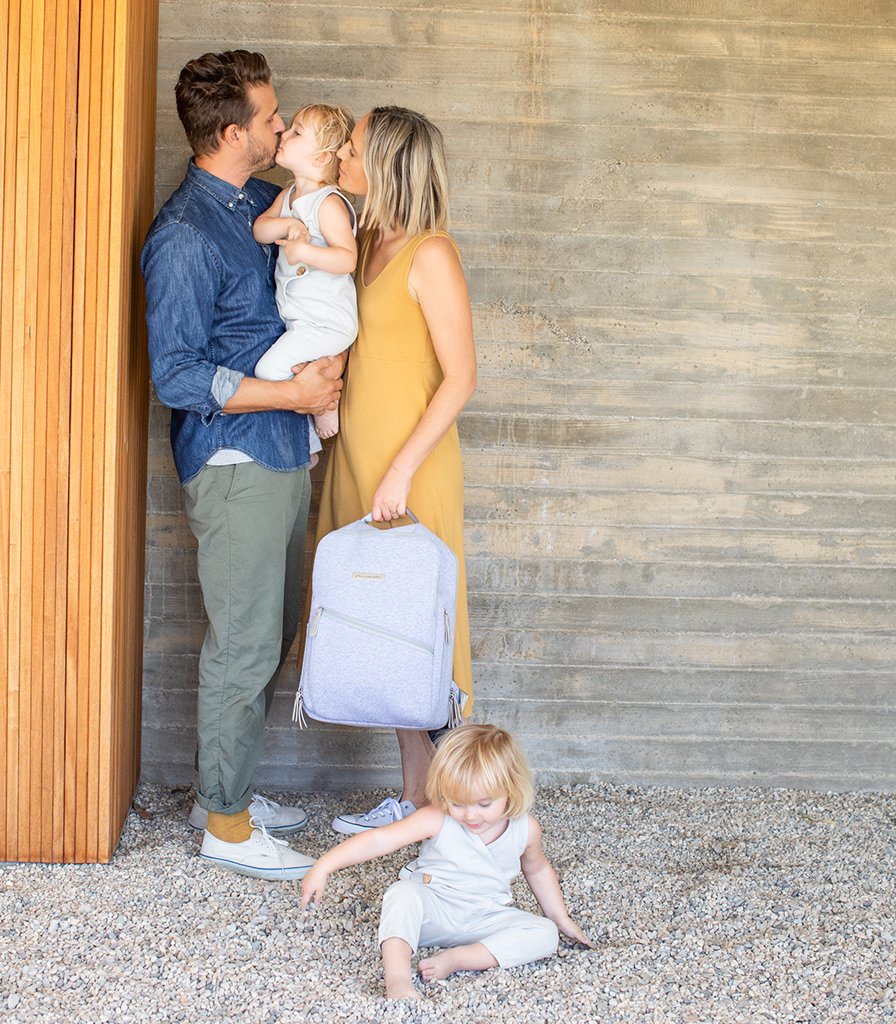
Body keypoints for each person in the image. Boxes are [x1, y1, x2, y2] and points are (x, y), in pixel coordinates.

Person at [141, 50, 343, 880]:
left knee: (272, 629)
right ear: (232, 133)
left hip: (281, 450)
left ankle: (217, 794)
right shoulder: (185, 236)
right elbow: (178, 374)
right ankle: (225, 827)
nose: (282, 126)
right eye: (271, 118)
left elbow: (329, 216)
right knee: (247, 642)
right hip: (234, 461)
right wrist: (292, 395)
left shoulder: (260, 201)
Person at [303, 107, 477, 834]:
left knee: (425, 633)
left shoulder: (431, 254)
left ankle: (467, 813)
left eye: (352, 147)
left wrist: (402, 469)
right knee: (387, 632)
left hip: (411, 468)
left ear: (387, 163)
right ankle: (415, 799)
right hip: (360, 460)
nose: (342, 155)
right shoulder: (369, 240)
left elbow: (462, 378)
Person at [300, 725, 594, 1000]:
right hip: (433, 914)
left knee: (544, 933)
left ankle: (459, 958)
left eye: (484, 804)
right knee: (402, 893)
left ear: (511, 789)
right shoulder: (437, 818)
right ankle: (398, 979)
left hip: (486, 917)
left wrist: (560, 918)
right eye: (457, 803)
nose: (470, 815)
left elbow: (537, 869)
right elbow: (381, 839)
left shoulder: (525, 828)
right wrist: (325, 865)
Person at [253, 104, 358, 441]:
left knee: (268, 370)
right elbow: (260, 230)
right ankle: (317, 412)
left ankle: (325, 402)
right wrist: (286, 225)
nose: (284, 133)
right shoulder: (288, 196)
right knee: (295, 370)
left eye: (297, 132)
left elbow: (347, 259)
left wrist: (305, 252)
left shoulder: (328, 203)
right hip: (300, 319)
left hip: (326, 322)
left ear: (321, 158)